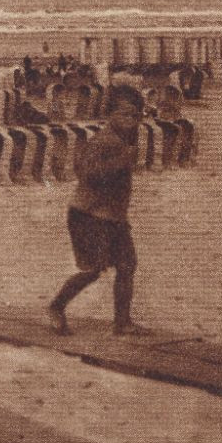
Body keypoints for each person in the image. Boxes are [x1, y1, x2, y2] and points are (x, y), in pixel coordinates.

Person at [46, 86, 147, 337]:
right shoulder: (104, 140)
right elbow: (86, 173)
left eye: (135, 116)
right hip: (88, 217)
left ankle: (122, 322)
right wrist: (121, 160)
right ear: (110, 115)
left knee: (127, 265)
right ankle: (56, 307)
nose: (131, 121)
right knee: (93, 270)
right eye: (124, 115)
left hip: (113, 218)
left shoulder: (124, 139)